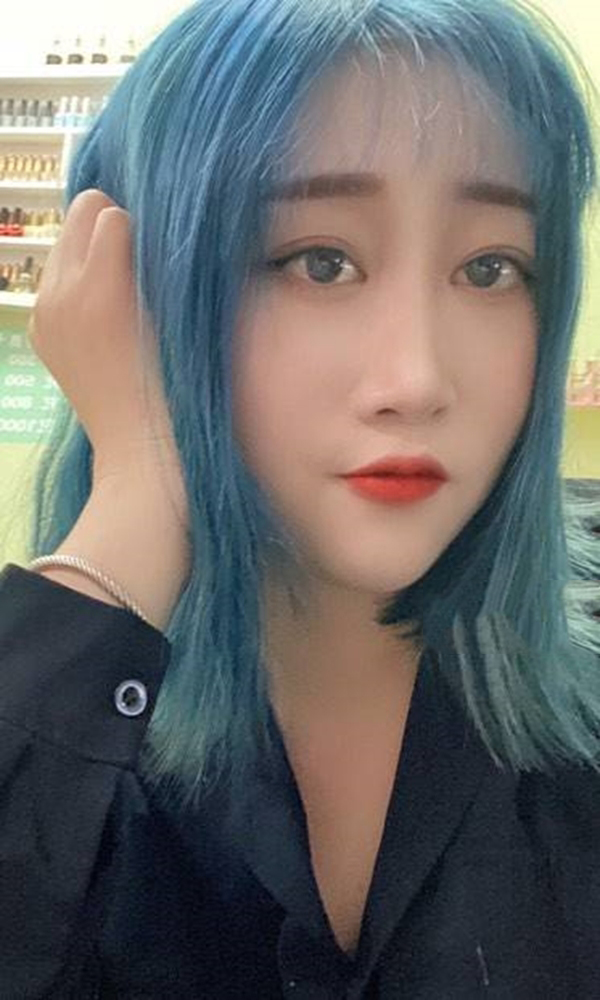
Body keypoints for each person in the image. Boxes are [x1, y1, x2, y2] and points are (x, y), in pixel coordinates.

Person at [1, 0, 600, 995]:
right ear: (135, 301)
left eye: (491, 268)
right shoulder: (62, 720)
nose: (415, 380)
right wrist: (139, 493)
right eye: (320, 262)